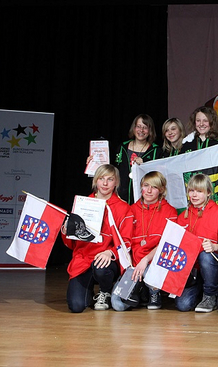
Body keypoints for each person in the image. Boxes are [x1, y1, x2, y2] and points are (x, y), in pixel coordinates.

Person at [61, 164, 133, 312]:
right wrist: (66, 231)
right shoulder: (83, 204)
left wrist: (110, 252)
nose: (105, 183)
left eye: (110, 179)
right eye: (101, 179)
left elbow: (127, 241)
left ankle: (105, 291)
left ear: (116, 182)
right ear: (95, 181)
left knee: (101, 267)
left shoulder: (123, 208)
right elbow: (72, 243)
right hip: (83, 260)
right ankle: (89, 293)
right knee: (76, 306)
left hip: (106, 262)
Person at [111, 171, 178, 311]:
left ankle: (154, 292)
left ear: (161, 190)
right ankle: (141, 290)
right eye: (146, 185)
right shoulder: (131, 210)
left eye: (154, 187)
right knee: (118, 305)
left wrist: (146, 259)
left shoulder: (170, 211)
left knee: (148, 273)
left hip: (155, 262)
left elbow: (167, 245)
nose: (149, 190)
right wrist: (129, 266)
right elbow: (124, 242)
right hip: (134, 265)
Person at [175, 174, 218, 313]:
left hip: (213, 268)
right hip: (192, 271)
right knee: (183, 305)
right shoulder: (182, 217)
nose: (194, 195)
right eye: (191, 191)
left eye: (199, 191)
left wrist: (214, 247)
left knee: (206, 255)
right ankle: (200, 293)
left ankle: (210, 295)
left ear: (208, 193)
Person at [114, 114, 163, 204]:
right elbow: (113, 170)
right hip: (120, 198)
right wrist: (94, 163)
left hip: (144, 200)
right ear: (134, 128)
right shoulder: (122, 147)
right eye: (138, 126)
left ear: (150, 130)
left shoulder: (156, 151)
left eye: (145, 127)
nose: (141, 130)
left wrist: (145, 165)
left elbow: (159, 177)